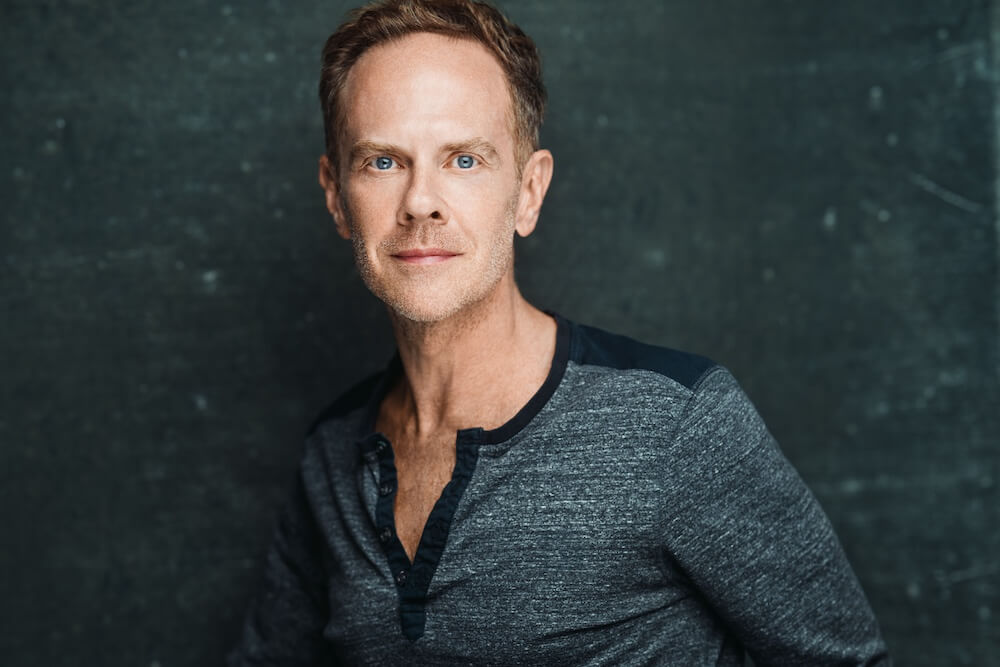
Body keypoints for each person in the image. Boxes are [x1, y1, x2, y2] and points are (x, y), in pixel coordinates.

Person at [228, 0, 891, 664]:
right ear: (336, 196)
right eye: (382, 162)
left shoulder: (675, 425)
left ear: (528, 192)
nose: (420, 200)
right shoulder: (331, 457)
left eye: (464, 160)